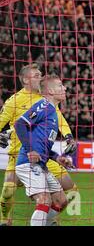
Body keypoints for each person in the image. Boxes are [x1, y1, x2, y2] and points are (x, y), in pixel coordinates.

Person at [0, 63, 77, 226]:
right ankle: (5, 219)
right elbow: (15, 124)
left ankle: (47, 221)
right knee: (9, 192)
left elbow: (59, 122)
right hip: (22, 155)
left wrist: (66, 141)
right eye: (36, 75)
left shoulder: (48, 104)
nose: (40, 77)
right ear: (24, 80)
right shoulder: (17, 101)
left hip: (43, 158)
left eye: (41, 75)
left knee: (68, 195)